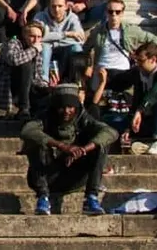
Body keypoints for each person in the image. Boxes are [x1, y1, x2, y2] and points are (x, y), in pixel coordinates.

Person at [20, 84, 116, 216]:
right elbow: (27, 131)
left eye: (70, 107)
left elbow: (110, 132)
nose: (66, 111)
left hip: (76, 175)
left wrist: (83, 150)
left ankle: (91, 197)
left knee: (101, 145)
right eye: (62, 107)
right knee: (35, 143)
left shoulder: (84, 118)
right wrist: (62, 146)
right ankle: (43, 197)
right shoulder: (44, 118)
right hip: (48, 176)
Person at [84, 0, 157, 108]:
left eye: (117, 12)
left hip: (123, 71)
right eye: (110, 11)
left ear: (122, 13)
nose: (114, 15)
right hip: (103, 70)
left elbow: (153, 39)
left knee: (138, 72)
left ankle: (137, 108)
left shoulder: (131, 30)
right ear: (106, 12)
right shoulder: (97, 31)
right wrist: (89, 65)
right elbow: (86, 48)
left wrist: (141, 52)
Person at [0, 21, 49, 119]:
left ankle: (30, 109)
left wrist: (45, 87)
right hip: (5, 87)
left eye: (39, 37)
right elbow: (13, 60)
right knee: (25, 64)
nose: (36, 40)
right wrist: (34, 50)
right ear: (24, 35)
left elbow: (38, 75)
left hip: (26, 88)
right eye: (32, 36)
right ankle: (24, 108)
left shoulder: (36, 49)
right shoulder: (12, 43)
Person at [33, 0, 85, 82]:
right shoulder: (40, 17)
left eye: (60, 6)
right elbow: (38, 37)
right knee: (44, 46)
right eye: (53, 6)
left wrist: (51, 39)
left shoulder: (73, 18)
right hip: (46, 51)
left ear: (66, 6)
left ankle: (75, 81)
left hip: (65, 50)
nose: (56, 9)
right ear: (49, 6)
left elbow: (80, 40)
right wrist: (66, 34)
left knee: (77, 48)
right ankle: (43, 81)